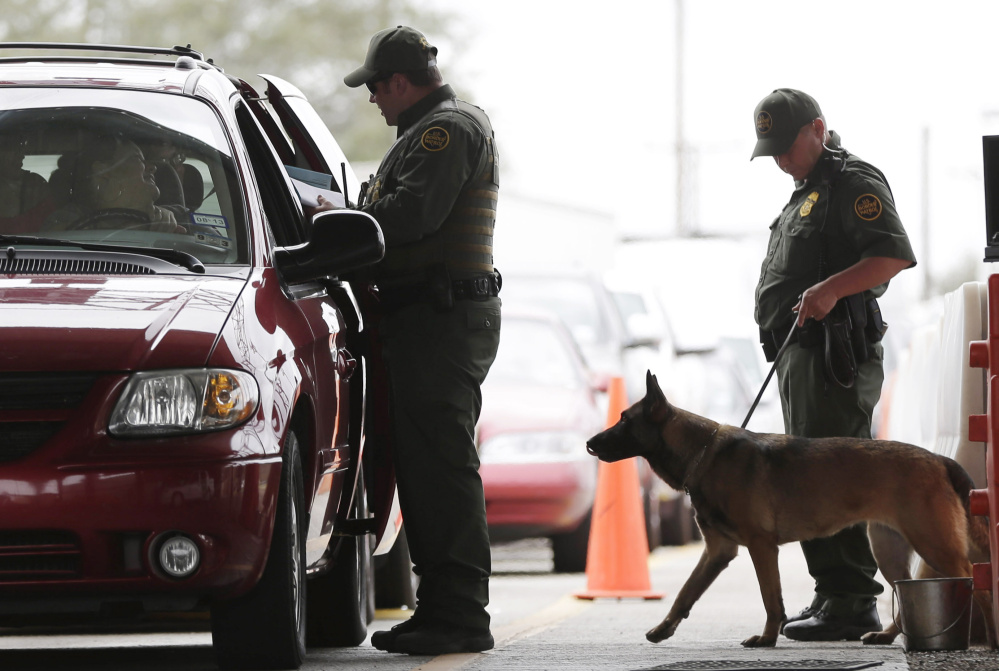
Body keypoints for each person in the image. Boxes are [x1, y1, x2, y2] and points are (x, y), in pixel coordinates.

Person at [341, 26, 501, 656]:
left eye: (376, 89)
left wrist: (338, 226)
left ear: (400, 82)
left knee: (441, 468)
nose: (374, 101)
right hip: (427, 319)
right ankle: (443, 607)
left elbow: (411, 217)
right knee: (430, 467)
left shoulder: (446, 130)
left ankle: (460, 612)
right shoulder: (424, 134)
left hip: (441, 319)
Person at [750, 89, 917, 641]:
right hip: (802, 354)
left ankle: (851, 601)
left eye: (785, 145)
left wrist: (829, 291)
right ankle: (832, 594)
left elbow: (892, 255)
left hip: (834, 354)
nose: (778, 158)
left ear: (818, 129)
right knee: (806, 474)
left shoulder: (852, 182)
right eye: (769, 149)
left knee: (831, 473)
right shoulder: (808, 190)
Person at [44, 133, 185, 233]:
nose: (153, 167)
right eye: (138, 159)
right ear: (103, 174)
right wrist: (133, 230)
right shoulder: (66, 220)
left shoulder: (176, 218)